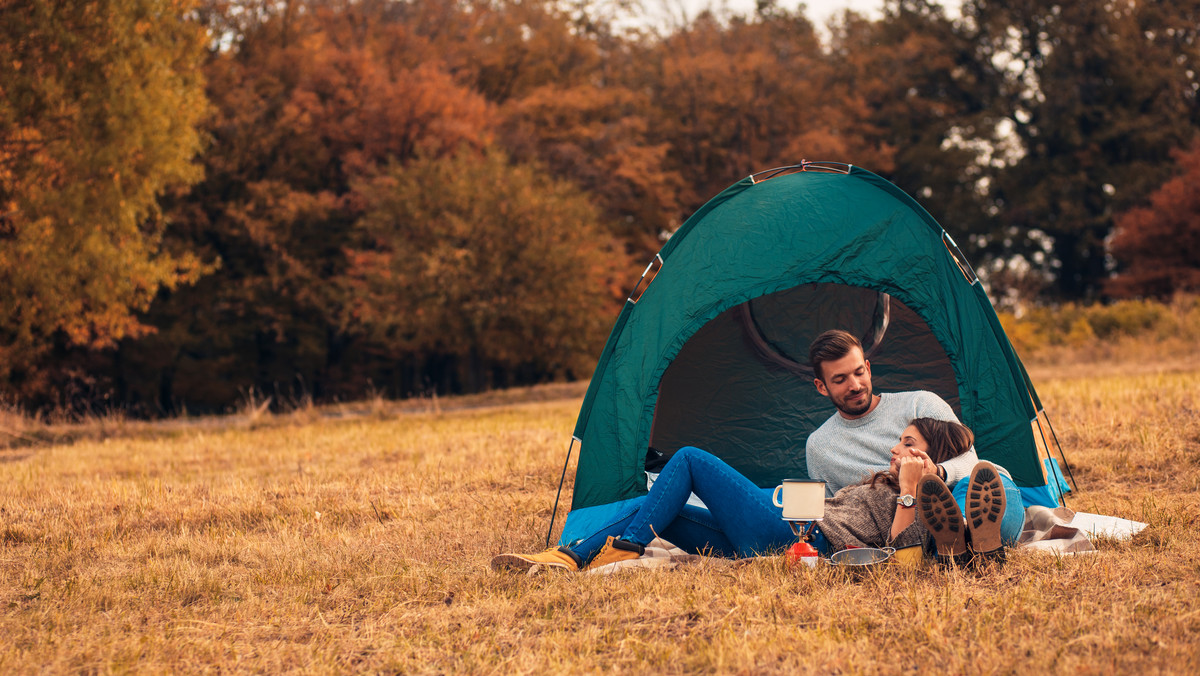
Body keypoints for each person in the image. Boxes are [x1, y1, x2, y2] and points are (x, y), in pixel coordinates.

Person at [490, 418, 999, 573]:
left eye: (907, 443)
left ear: (931, 458)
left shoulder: (927, 500)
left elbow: (903, 558)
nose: (894, 447)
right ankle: (566, 557)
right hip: (771, 534)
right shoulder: (881, 480)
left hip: (802, 541)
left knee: (688, 456)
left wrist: (913, 489)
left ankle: (623, 547)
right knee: (652, 512)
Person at [804, 329, 1024, 548]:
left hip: (963, 492)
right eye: (840, 379)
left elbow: (970, 462)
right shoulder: (820, 447)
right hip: (910, 526)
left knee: (982, 487)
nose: (855, 385)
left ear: (868, 369)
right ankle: (963, 543)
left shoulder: (921, 403)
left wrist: (936, 472)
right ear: (822, 386)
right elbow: (834, 510)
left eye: (859, 372)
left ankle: (963, 532)